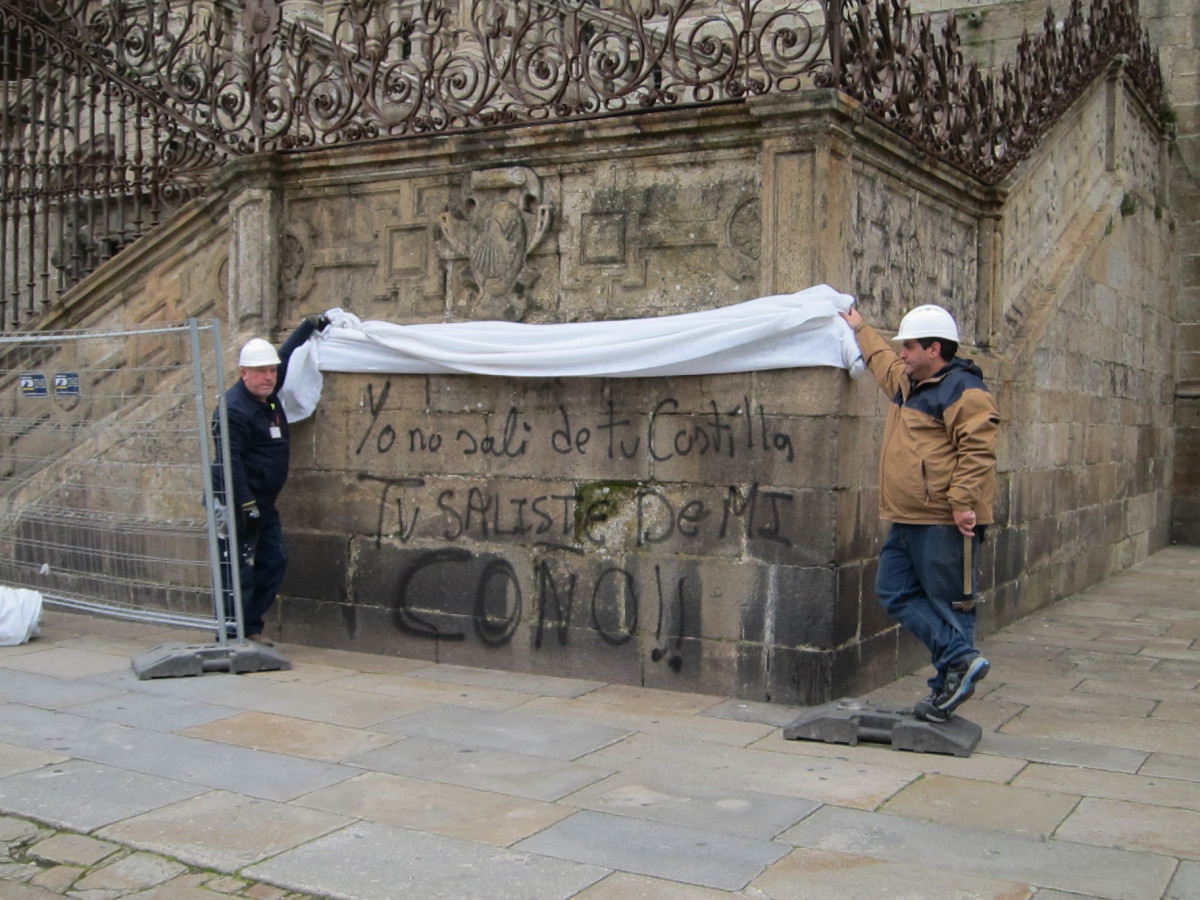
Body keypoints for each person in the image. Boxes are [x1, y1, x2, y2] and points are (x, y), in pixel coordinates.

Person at [841, 303, 999, 722]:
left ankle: (946, 688)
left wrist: (964, 502)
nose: (902, 354)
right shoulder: (908, 381)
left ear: (934, 348)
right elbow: (881, 363)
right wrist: (860, 328)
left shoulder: (964, 390)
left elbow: (978, 449)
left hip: (945, 520)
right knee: (893, 589)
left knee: (950, 605)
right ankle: (961, 661)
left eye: (909, 346)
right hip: (908, 515)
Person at [212, 315, 327, 645]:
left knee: (273, 560)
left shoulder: (268, 394)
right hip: (235, 502)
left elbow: (287, 354)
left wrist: (308, 326)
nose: (269, 377)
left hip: (262, 502)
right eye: (261, 371)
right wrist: (247, 504)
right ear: (243, 373)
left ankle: (250, 626)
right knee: (238, 568)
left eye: (272, 371)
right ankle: (234, 634)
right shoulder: (234, 410)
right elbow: (229, 463)